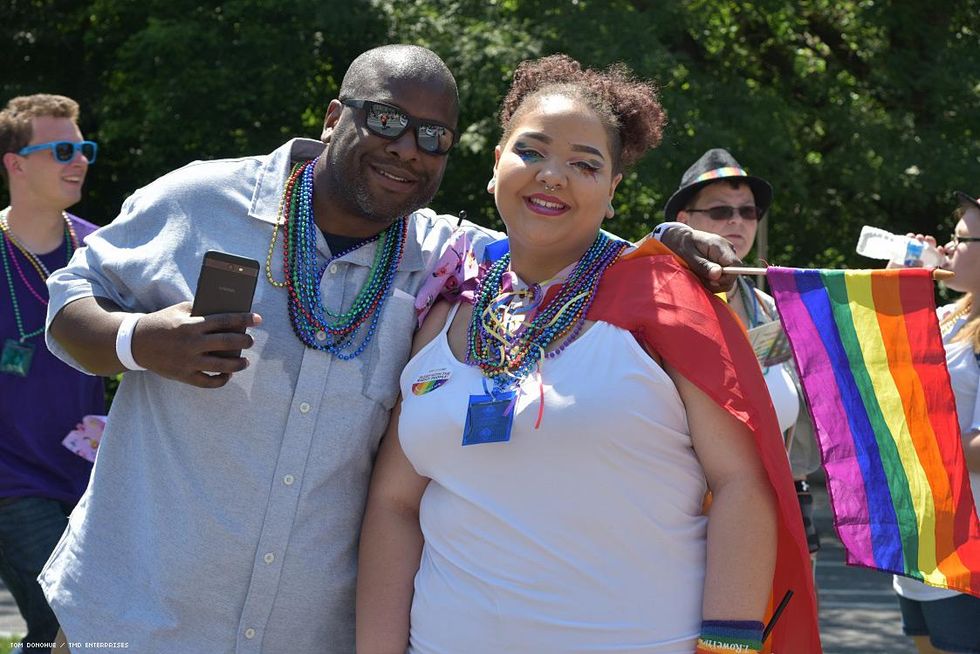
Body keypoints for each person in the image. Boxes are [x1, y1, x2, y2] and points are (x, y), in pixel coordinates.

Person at [40, 45, 738, 652]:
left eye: (434, 136)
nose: (408, 147)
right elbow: (69, 298)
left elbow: (557, 234)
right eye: (386, 120)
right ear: (333, 117)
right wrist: (137, 342)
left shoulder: (444, 257)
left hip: (305, 637)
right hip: (132, 620)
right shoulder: (203, 201)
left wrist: (659, 248)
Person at [356, 55, 820, 654]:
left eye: (585, 163)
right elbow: (395, 504)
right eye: (532, 151)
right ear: (496, 163)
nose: (553, 175)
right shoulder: (442, 309)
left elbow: (743, 484)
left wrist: (728, 648)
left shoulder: (670, 303)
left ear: (612, 189)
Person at [669, 148, 822, 558]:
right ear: (685, 223)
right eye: (720, 212)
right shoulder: (662, 307)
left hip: (782, 495)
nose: (736, 221)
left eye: (748, 211)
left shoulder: (774, 309)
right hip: (689, 510)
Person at [0, 93, 104, 650]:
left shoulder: (101, 247)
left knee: (81, 634)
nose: (80, 159)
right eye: (62, 148)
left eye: (83, 146)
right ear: (15, 163)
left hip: (90, 476)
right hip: (10, 481)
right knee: (63, 620)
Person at [891, 191, 980, 654]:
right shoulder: (950, 316)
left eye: (960, 239)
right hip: (923, 543)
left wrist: (924, 439)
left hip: (966, 548)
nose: (947, 248)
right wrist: (900, 279)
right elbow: (882, 367)